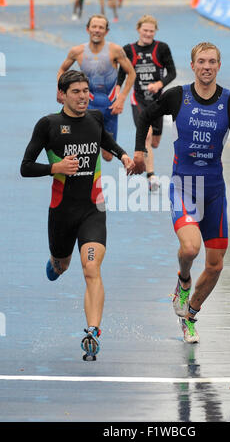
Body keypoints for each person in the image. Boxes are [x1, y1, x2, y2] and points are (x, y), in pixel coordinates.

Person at [133, 42, 230, 343]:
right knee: (190, 249)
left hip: (214, 191)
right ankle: (183, 279)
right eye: (201, 61)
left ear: (218, 65)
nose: (207, 66)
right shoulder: (178, 97)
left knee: (215, 266)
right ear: (192, 66)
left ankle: (190, 314)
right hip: (184, 187)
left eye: (212, 62)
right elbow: (145, 116)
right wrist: (140, 151)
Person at [20, 70, 135, 361]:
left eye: (86, 91)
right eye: (76, 92)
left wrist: (123, 156)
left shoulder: (95, 118)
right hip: (61, 212)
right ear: (62, 94)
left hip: (92, 209)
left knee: (91, 269)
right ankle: (56, 264)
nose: (84, 96)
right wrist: (54, 168)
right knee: (63, 266)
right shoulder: (48, 125)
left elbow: (105, 140)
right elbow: (25, 166)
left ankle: (93, 332)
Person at [57, 14, 136, 162]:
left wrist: (122, 98)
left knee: (108, 156)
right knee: (84, 148)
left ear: (106, 31)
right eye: (94, 26)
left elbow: (131, 73)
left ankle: (100, 139)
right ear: (88, 29)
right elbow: (62, 70)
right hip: (86, 105)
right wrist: (60, 91)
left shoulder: (115, 50)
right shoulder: (77, 51)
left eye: (101, 27)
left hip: (110, 106)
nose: (97, 30)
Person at [117, 14, 176, 191]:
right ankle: (151, 176)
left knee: (155, 142)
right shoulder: (128, 50)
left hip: (158, 101)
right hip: (138, 99)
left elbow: (172, 73)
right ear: (138, 30)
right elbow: (122, 74)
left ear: (155, 31)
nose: (148, 34)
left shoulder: (162, 48)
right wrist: (118, 93)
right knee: (147, 135)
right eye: (145, 30)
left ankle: (147, 154)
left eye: (151, 31)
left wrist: (159, 84)